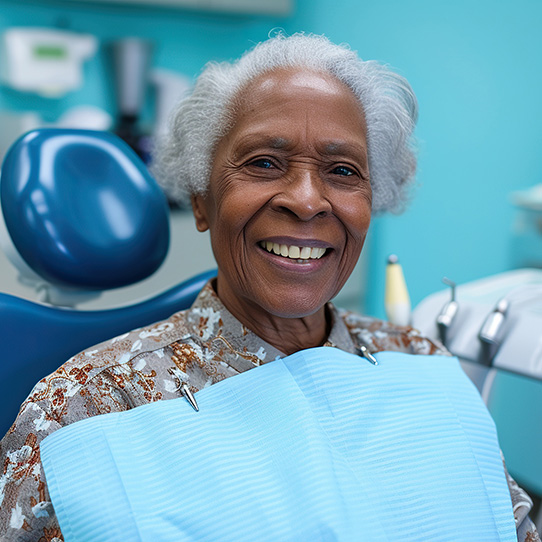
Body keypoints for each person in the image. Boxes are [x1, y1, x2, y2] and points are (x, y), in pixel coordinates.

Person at [0, 33, 538, 541]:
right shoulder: (84, 408)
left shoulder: (424, 364)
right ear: (203, 200)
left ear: (373, 202)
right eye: (264, 163)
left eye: (343, 170)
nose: (306, 200)